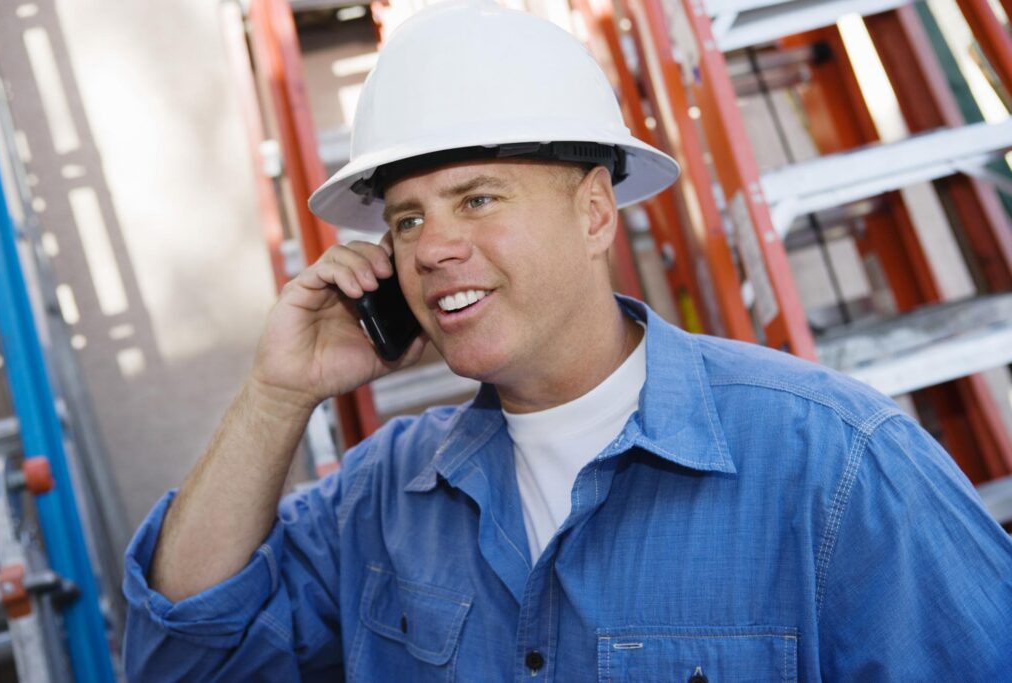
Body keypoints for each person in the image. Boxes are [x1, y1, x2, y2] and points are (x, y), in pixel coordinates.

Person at [122, 1, 1012, 680]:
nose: (432, 248)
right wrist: (278, 392)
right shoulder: (384, 495)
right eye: (405, 220)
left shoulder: (834, 466)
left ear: (594, 212)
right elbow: (179, 658)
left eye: (477, 199)